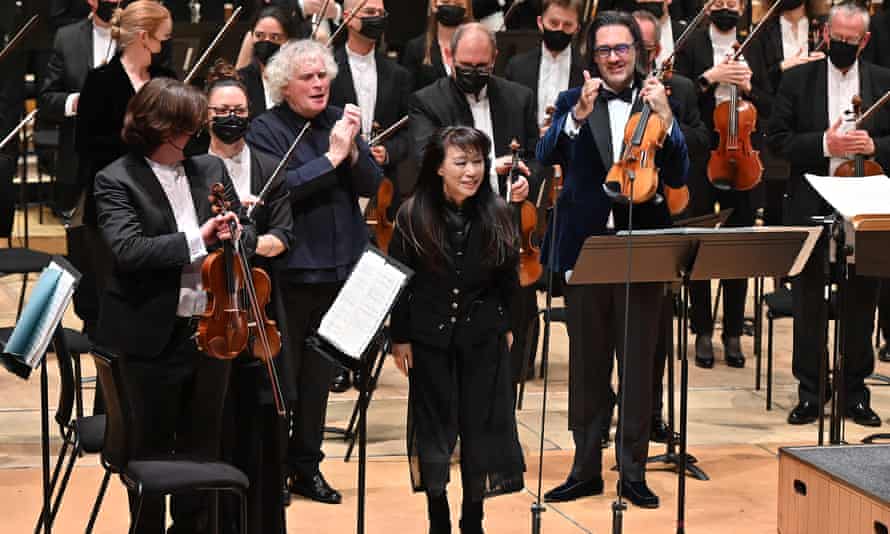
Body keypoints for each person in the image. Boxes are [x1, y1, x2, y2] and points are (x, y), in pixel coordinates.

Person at [537, 10, 688, 508]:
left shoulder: (659, 97)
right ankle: (584, 468)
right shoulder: (572, 100)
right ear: (592, 57)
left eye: (621, 49)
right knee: (587, 365)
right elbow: (544, 154)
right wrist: (577, 118)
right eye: (604, 50)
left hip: (641, 248)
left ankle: (633, 471)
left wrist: (666, 117)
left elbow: (680, 168)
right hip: (586, 249)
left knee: (640, 365)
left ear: (638, 52)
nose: (614, 58)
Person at [93, 77, 255, 534]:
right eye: (189, 127)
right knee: (148, 452)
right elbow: (128, 250)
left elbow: (248, 233)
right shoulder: (115, 180)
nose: (199, 135)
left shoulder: (209, 171)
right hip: (150, 336)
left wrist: (238, 234)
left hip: (212, 331)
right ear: (163, 129)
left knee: (202, 451)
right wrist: (197, 239)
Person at [245, 38, 382, 505]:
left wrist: (356, 152)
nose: (320, 84)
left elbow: (372, 187)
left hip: (341, 266)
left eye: (323, 75)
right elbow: (274, 190)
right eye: (308, 77)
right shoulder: (266, 130)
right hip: (292, 269)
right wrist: (332, 159)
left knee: (320, 379)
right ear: (285, 86)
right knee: (285, 377)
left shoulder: (337, 121)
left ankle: (306, 466)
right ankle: (275, 465)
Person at [389, 126, 525, 534]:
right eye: (461, 163)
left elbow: (509, 280)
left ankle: (473, 517)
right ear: (438, 168)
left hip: (482, 338)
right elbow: (399, 280)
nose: (472, 171)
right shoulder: (413, 213)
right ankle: (438, 517)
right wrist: (400, 337)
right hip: (429, 340)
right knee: (434, 431)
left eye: (478, 162)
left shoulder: (498, 210)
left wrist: (506, 325)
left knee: (479, 429)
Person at [767, 0, 890, 428]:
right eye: (834, 38)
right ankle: (810, 391)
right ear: (824, 33)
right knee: (808, 301)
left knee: (863, 299)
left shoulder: (882, 82)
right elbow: (777, 141)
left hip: (864, 205)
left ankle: (855, 392)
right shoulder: (797, 81)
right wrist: (825, 144)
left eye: (849, 41)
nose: (840, 45)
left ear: (865, 40)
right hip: (810, 201)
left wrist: (875, 147)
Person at [410, 22, 538, 388]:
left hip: (507, 232)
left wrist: (525, 178)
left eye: (482, 67)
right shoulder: (427, 101)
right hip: (451, 236)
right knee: (446, 359)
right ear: (449, 57)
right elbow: (427, 162)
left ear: (495, 60)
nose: (474, 73)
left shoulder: (518, 97)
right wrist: (488, 171)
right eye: (465, 65)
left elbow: (534, 156)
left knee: (504, 345)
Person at [203, 60, 294, 534]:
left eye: (238, 109)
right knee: (217, 420)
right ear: (206, 116)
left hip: (258, 309)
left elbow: (283, 236)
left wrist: (248, 237)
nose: (230, 117)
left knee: (261, 420)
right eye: (221, 110)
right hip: (213, 307)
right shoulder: (195, 169)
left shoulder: (267, 167)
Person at [632, 7, 710, 443]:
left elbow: (700, 140)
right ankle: (611, 411)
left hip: (660, 213)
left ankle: (652, 413)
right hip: (614, 213)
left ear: (659, 50)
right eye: (631, 48)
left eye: (646, 49)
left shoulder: (678, 87)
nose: (639, 56)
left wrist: (668, 118)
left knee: (657, 326)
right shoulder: (602, 90)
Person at [673, 0, 763, 370]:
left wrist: (752, 86)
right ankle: (703, 329)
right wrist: (709, 78)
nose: (727, 6)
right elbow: (678, 98)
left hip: (741, 157)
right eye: (719, 0)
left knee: (738, 244)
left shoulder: (755, 43)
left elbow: (775, 103)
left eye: (733, 1)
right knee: (698, 241)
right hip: (701, 158)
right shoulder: (691, 45)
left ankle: (732, 333)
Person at [328, 0, 413, 392]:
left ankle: (365, 355)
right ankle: (336, 359)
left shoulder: (397, 72)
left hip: (382, 187)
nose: (376, 16)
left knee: (375, 270)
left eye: (381, 9)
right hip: (338, 184)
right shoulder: (325, 67)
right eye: (367, 9)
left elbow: (410, 132)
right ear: (346, 16)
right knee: (341, 272)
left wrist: (388, 152)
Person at [40, 0, 121, 217]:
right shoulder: (66, 37)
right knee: (81, 241)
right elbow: (47, 99)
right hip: (79, 156)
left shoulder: (138, 35)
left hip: (126, 153)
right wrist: (77, 102)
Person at [504, 0, 586, 135]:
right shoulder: (516, 67)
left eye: (568, 25)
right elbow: (509, 119)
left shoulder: (588, 71)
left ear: (577, 29)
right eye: (553, 23)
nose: (560, 29)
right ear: (540, 22)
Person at [400, 0, 475, 91]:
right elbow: (407, 95)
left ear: (467, 10)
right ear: (433, 5)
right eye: (445, 2)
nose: (451, 7)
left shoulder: (478, 47)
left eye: (458, 4)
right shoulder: (416, 48)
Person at [237, 6, 294, 120]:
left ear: (288, 41)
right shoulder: (240, 80)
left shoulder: (298, 79)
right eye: (259, 36)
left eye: (275, 37)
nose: (266, 41)